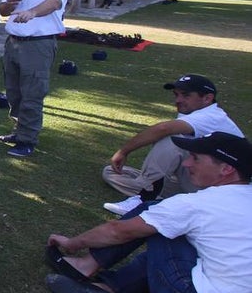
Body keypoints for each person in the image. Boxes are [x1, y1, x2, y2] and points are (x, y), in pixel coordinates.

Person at [45, 132, 252, 293]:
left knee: (155, 215)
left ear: (226, 169)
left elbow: (118, 232)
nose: (187, 163)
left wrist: (72, 243)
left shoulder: (198, 205)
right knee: (177, 228)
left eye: (196, 158)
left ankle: (84, 265)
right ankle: (109, 286)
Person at [101, 74, 244, 214]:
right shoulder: (191, 112)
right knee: (110, 172)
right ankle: (163, 197)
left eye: (186, 95)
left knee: (171, 138)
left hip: (223, 191)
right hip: (200, 181)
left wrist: (123, 151)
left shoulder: (211, 116)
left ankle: (145, 197)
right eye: (176, 95)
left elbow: (163, 129)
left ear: (207, 98)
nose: (178, 100)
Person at [0, 0, 70, 157]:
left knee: (32, 93)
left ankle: (27, 140)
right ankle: (19, 131)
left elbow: (54, 3)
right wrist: (9, 4)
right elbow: (2, 10)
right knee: (14, 92)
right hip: (14, 42)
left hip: (38, 44)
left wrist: (33, 12)